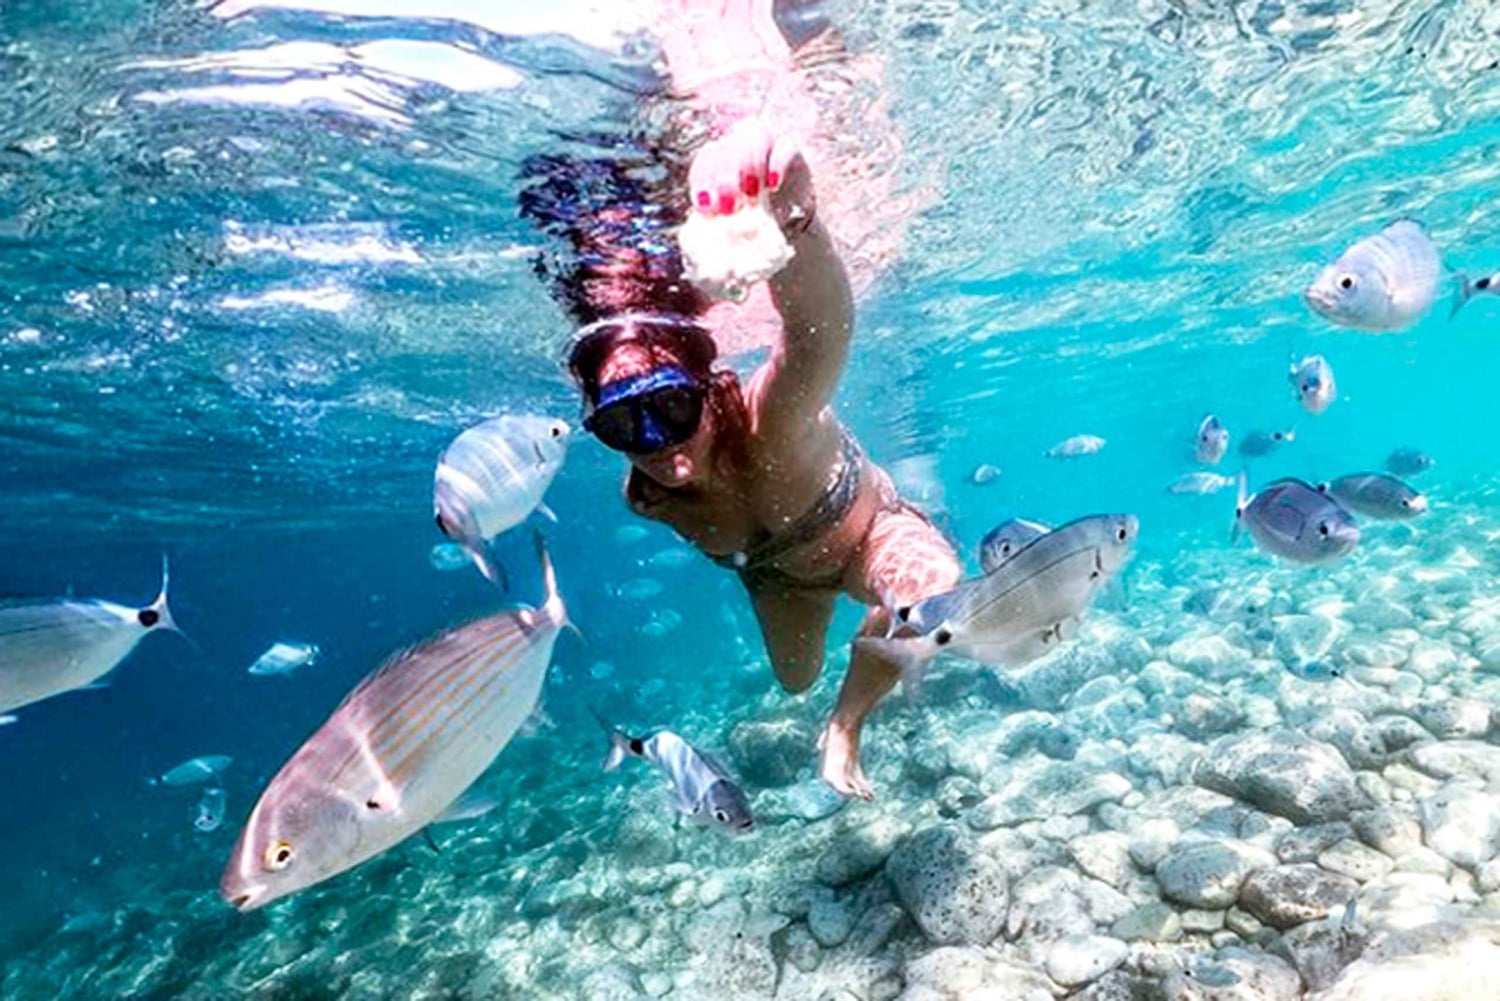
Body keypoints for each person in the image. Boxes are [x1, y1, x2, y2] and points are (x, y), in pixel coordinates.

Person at [527, 4, 961, 799]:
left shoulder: (768, 414)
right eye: (621, 423)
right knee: (792, 681)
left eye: (667, 406)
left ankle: (847, 727)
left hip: (866, 532)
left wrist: (793, 220)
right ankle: (829, 688)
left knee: (931, 595)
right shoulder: (645, 490)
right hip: (775, 577)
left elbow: (817, 329)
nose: (658, 442)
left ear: (711, 386)